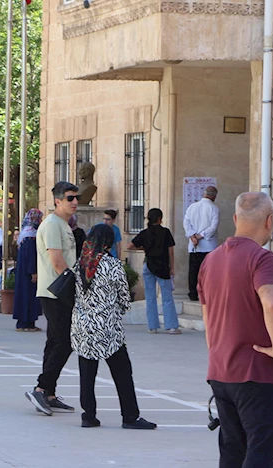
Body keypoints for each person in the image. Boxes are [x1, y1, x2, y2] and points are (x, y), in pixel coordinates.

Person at [197, 192, 273, 468]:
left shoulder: (210, 260)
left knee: (232, 450)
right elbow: (272, 303)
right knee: (262, 450)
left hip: (221, 371)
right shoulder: (262, 258)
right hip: (257, 373)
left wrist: (218, 353)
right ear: (270, 221)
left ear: (236, 218)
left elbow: (207, 319)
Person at [72, 224, 157, 430]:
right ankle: (130, 416)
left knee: (87, 373)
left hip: (83, 326)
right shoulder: (112, 265)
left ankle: (88, 415)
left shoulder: (81, 264)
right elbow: (124, 299)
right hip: (108, 328)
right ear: (108, 242)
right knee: (122, 373)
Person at [25, 181, 79, 416]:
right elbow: (57, 262)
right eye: (70, 198)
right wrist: (75, 288)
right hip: (56, 292)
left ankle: (49, 393)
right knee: (66, 341)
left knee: (55, 342)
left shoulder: (64, 225)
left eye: (76, 198)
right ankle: (41, 387)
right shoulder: (52, 225)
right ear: (57, 201)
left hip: (60, 292)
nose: (75, 202)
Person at [128, 208, 181, 335]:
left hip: (148, 264)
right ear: (159, 219)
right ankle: (171, 326)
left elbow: (130, 246)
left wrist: (144, 248)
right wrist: (172, 267)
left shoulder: (144, 233)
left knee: (150, 297)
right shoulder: (165, 232)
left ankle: (152, 326)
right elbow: (170, 251)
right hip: (162, 266)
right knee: (167, 297)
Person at [183, 186, 219, 301]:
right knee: (208, 272)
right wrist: (200, 236)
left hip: (194, 246)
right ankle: (207, 293)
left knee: (193, 271)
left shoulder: (192, 207)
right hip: (209, 246)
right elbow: (213, 227)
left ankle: (193, 293)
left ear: (204, 194)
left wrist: (192, 236)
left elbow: (186, 223)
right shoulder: (214, 208)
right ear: (214, 196)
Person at [13, 209, 42, 332]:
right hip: (28, 272)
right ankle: (25, 323)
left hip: (23, 271)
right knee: (28, 296)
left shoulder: (26, 232)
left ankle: (28, 322)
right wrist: (33, 272)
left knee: (26, 295)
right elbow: (30, 255)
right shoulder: (30, 235)